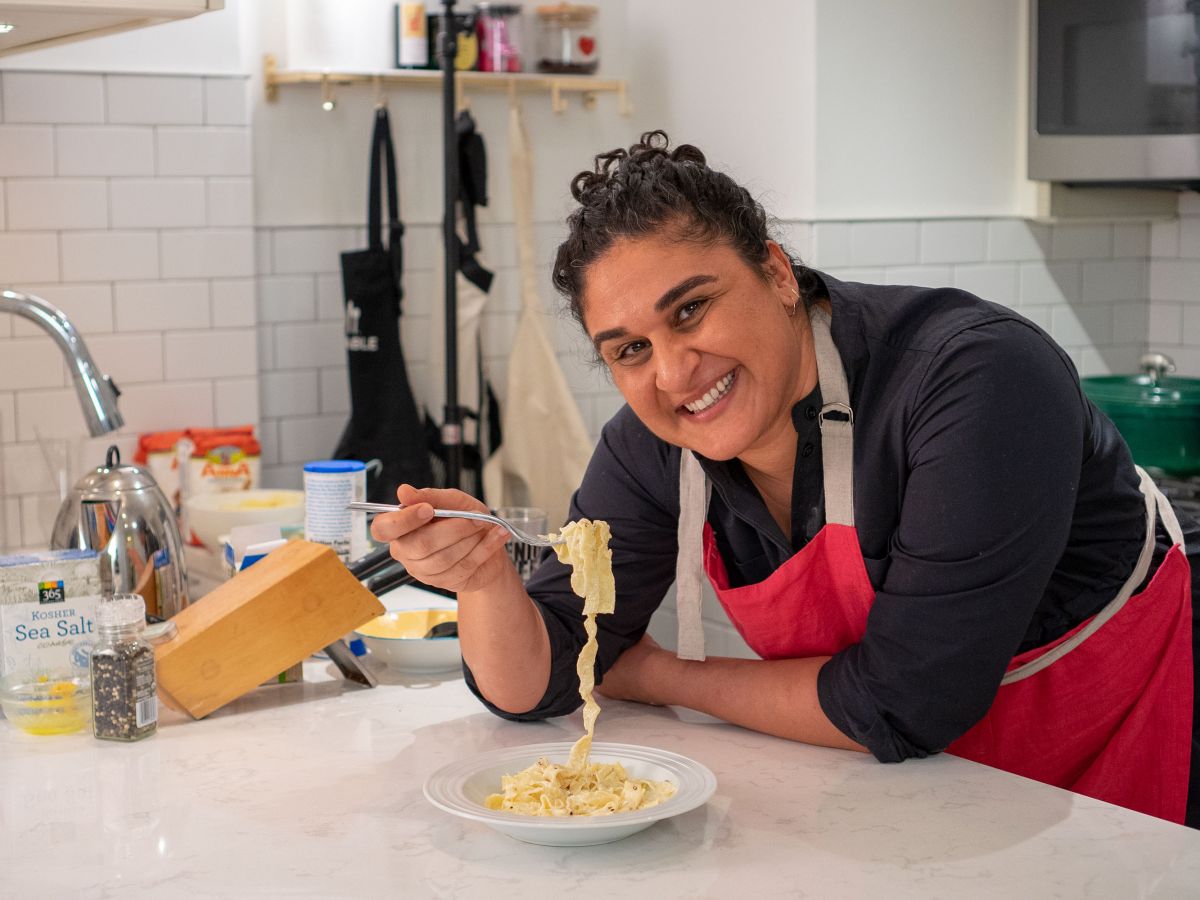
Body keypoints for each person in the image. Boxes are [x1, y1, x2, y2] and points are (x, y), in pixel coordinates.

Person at [372, 132, 1199, 828]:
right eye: (629, 350)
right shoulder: (652, 443)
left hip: (1121, 754)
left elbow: (906, 703)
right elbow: (543, 682)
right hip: (918, 797)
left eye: (690, 310)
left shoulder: (976, 379)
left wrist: (660, 675)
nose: (674, 370)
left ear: (775, 273)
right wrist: (483, 583)